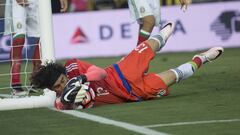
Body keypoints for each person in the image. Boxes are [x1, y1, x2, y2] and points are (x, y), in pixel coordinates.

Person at [30, 23, 224, 110]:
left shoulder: (73, 66)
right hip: (134, 93)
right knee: (175, 76)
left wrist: (82, 79)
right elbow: (64, 105)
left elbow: (100, 72)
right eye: (57, 87)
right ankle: (202, 58)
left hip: (121, 73)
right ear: (51, 89)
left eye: (62, 81)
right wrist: (68, 101)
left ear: (64, 73)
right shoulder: (62, 100)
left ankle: (163, 34)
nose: (62, 86)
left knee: (149, 47)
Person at [4, 0, 68, 96]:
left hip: (40, 2)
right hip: (18, 3)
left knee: (44, 36)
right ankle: (15, 84)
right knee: (19, 38)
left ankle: (35, 82)